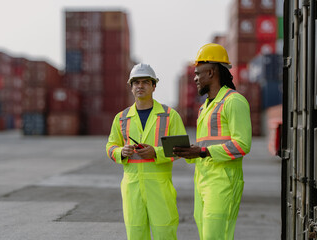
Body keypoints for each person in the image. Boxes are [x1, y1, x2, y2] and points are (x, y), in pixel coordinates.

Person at [173, 43, 252, 240]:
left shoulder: (234, 102)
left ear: (211, 72)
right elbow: (204, 147)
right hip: (202, 182)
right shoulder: (204, 108)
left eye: (198, 73)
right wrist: (187, 152)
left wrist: (201, 152)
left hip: (223, 183)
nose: (195, 78)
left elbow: (242, 145)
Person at [106, 63, 187, 240]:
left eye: (145, 82)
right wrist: (121, 151)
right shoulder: (121, 118)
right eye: (136, 83)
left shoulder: (169, 115)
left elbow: (182, 148)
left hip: (159, 187)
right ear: (131, 87)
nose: (140, 86)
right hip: (132, 188)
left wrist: (156, 153)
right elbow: (110, 146)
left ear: (154, 86)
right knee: (135, 235)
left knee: (164, 233)